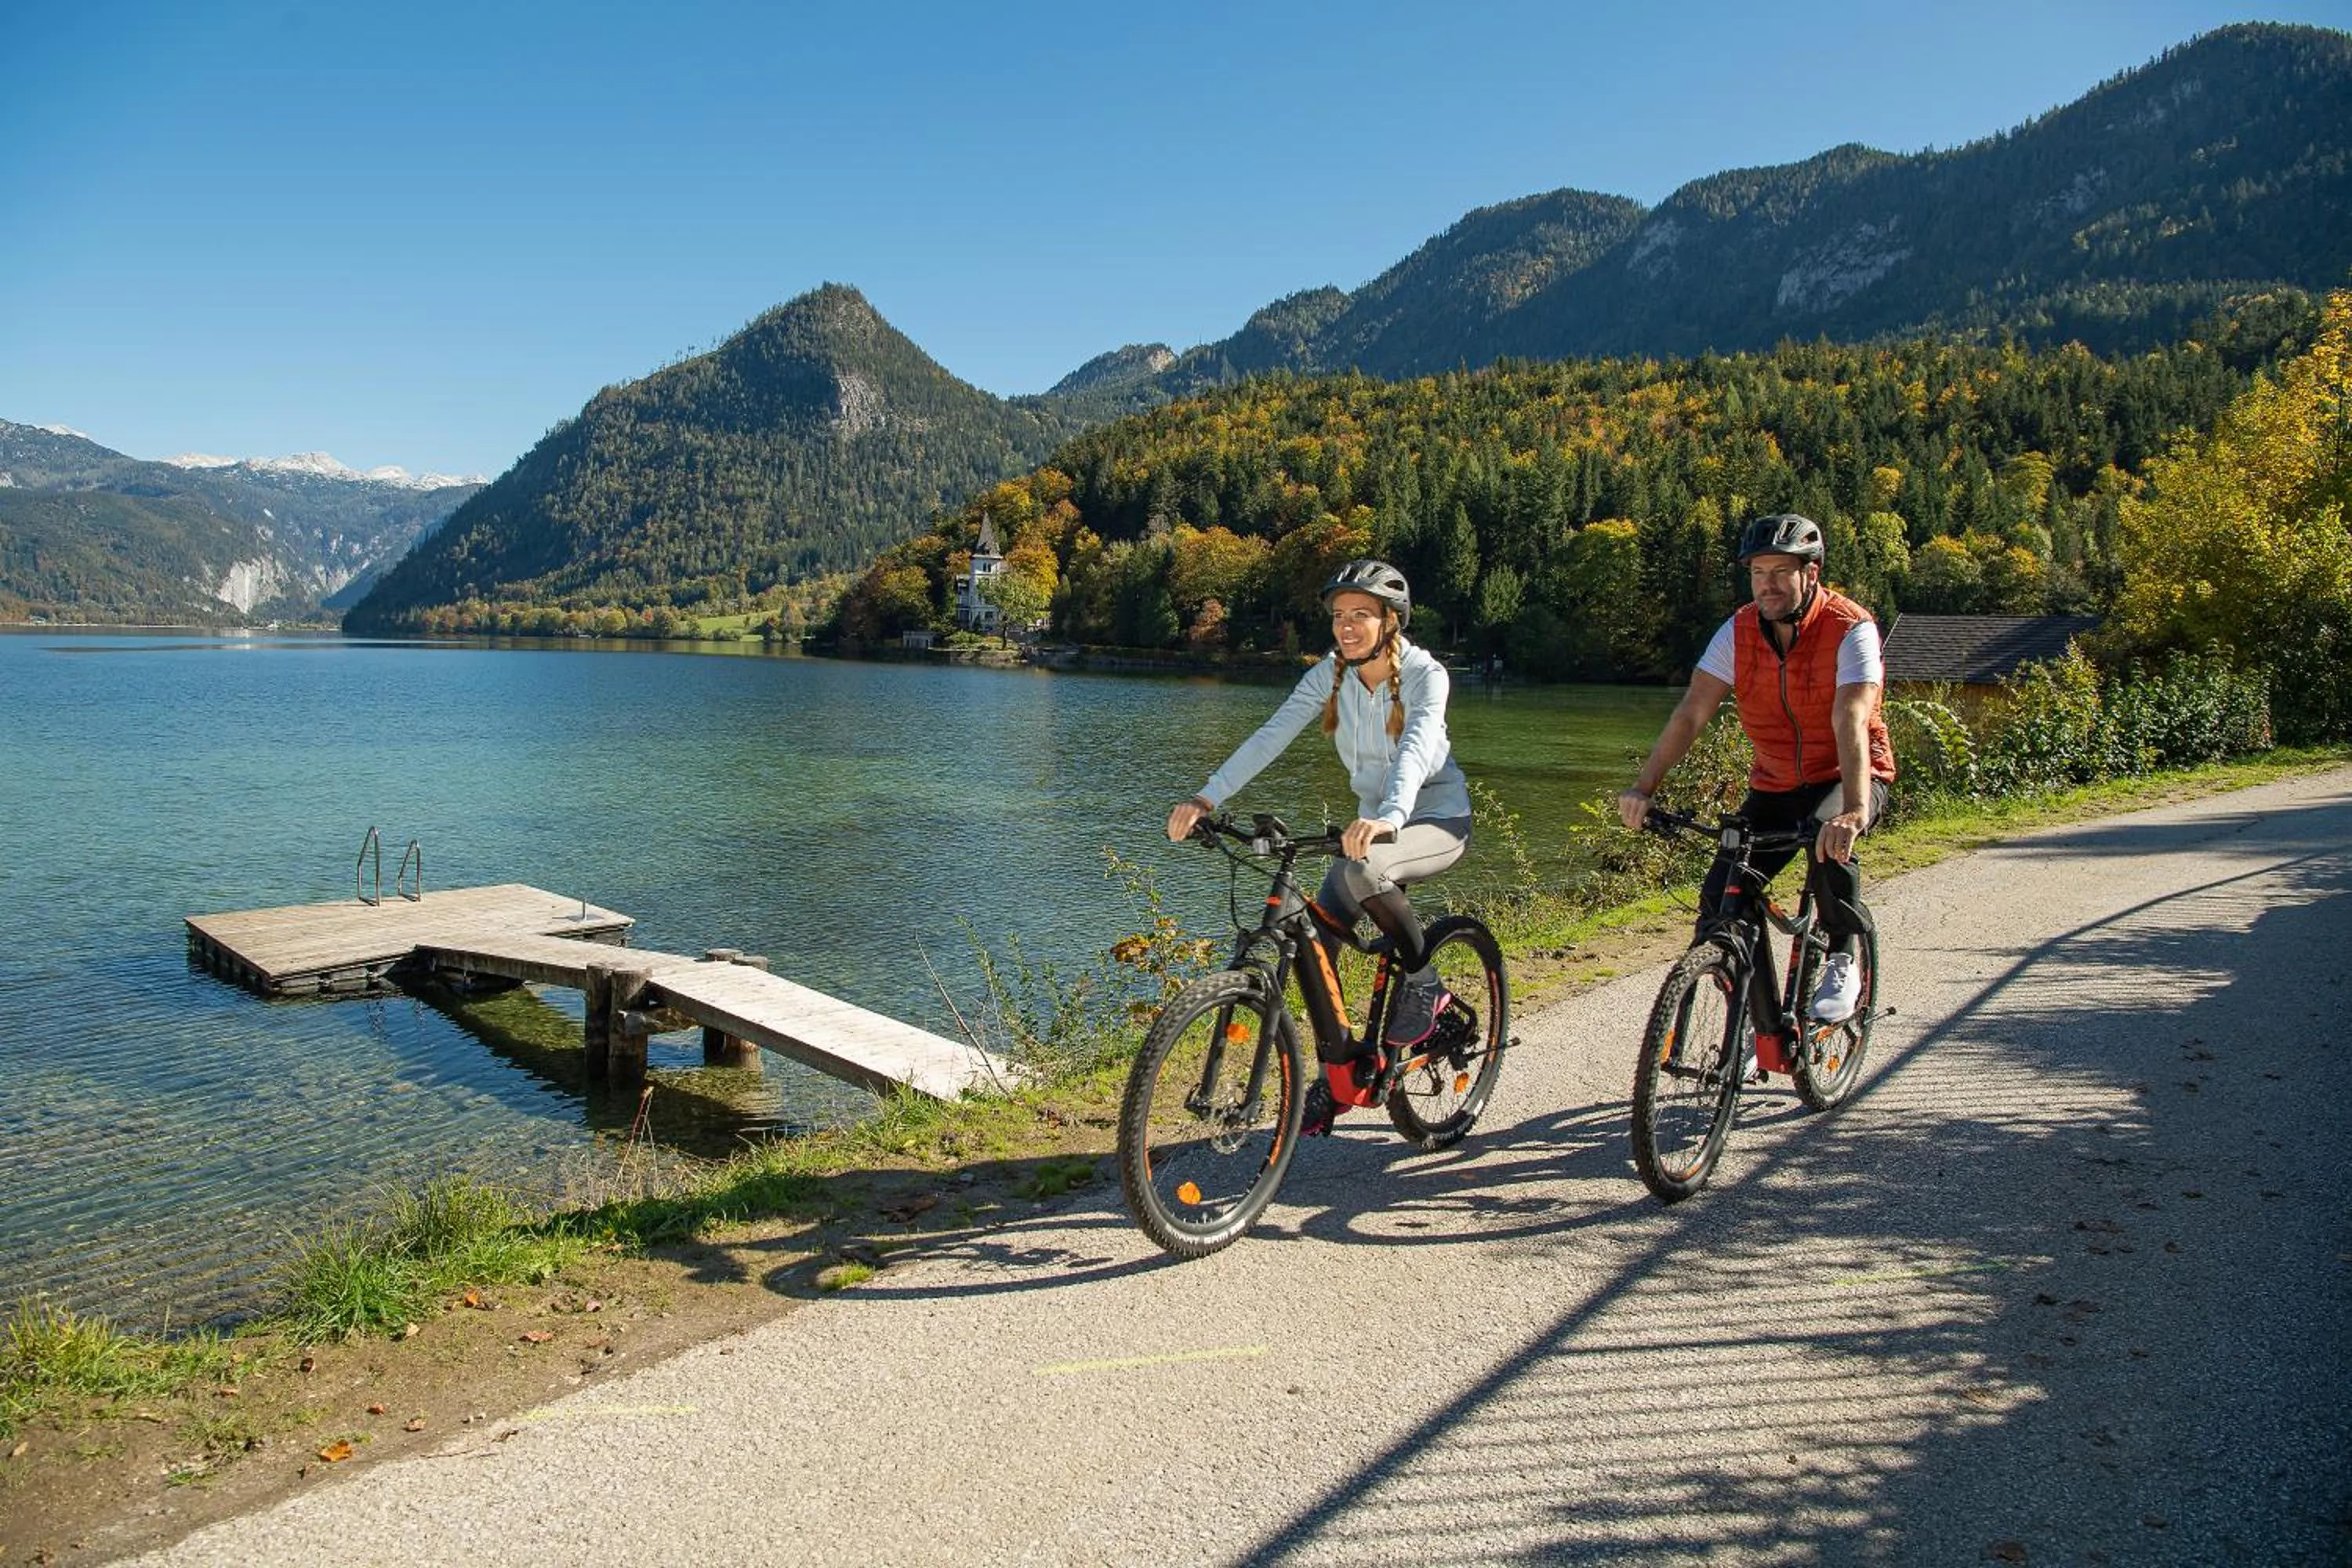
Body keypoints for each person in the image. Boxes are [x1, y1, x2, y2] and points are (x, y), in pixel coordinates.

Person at [1167, 559, 1473, 1134]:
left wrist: (1388, 818)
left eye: (1361, 615)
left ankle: (1425, 985)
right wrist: (1206, 799)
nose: (1346, 626)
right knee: (1316, 941)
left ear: (1391, 621)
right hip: (1372, 829)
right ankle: (1339, 1076)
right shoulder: (1329, 675)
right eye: (1339, 616)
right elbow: (1270, 736)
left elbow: (1414, 750)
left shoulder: (1427, 675)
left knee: (1361, 872)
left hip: (1432, 817)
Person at [1616, 514, 1896, 1025]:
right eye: (1757, 572)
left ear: (1810, 574)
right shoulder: (1739, 630)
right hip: (1775, 783)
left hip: (1848, 775)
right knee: (1724, 895)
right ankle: (1748, 1025)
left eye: (1779, 572)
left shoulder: (1851, 629)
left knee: (1827, 839)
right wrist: (1643, 787)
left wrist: (1854, 810)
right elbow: (1691, 713)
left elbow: (1850, 717)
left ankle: (1841, 955)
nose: (1766, 584)